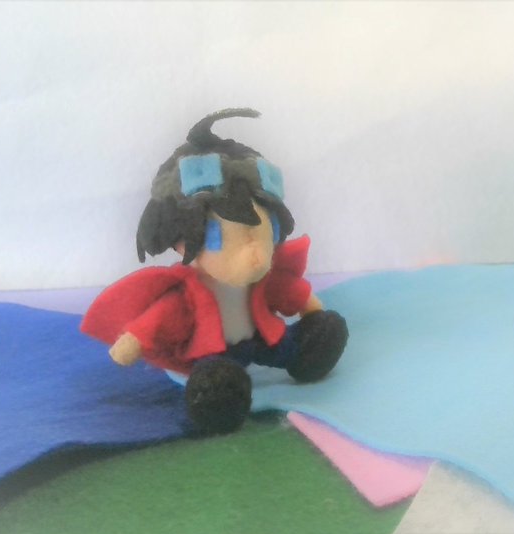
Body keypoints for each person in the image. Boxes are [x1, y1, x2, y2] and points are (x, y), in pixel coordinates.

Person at [81, 108, 348, 434]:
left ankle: (307, 354)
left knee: (301, 342)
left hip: (262, 338)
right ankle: (220, 397)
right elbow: (162, 317)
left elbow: (286, 291)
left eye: (263, 235)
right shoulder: (190, 293)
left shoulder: (262, 280)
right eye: (218, 239)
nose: (254, 256)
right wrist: (134, 340)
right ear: (181, 241)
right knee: (217, 380)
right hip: (216, 353)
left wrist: (310, 309)